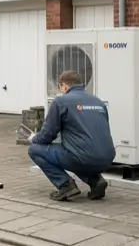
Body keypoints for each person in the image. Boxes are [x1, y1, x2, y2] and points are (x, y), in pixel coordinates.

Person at [27, 70, 115, 201]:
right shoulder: (98, 102)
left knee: (35, 149)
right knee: (78, 151)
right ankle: (95, 181)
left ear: (64, 86)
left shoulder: (61, 102)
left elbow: (47, 135)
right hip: (107, 159)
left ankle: (65, 185)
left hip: (82, 157)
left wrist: (33, 138)